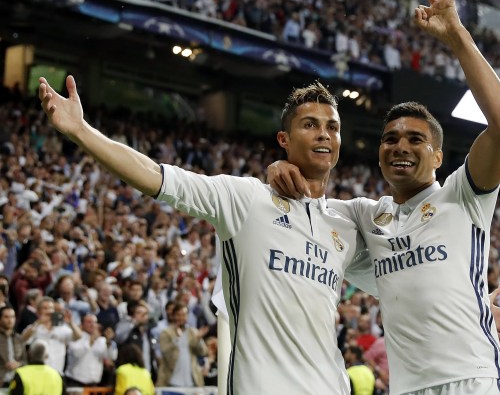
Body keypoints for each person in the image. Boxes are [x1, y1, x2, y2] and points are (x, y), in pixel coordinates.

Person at [38, 73, 374, 394]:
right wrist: (81, 131)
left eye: (333, 127)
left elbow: (408, 268)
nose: (324, 135)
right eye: (310, 124)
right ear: (283, 140)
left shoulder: (344, 226)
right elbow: (157, 177)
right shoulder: (245, 199)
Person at [269, 0, 500, 394]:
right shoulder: (365, 217)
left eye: (415, 139)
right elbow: (308, 208)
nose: (400, 146)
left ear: (438, 156)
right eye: (390, 139)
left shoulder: (464, 195)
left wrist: (457, 35)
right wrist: (278, 169)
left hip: (474, 381)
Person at [157, 302, 208, 388]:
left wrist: (198, 339)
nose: (181, 318)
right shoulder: (166, 333)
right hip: (171, 380)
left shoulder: (193, 332)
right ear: (173, 316)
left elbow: (202, 352)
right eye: (178, 315)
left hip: (191, 380)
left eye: (184, 315)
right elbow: (165, 352)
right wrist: (177, 339)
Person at [64, 313, 115, 387]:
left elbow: (111, 357)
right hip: (75, 382)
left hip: (94, 384)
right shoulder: (76, 337)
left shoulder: (102, 340)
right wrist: (90, 342)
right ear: (82, 324)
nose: (92, 324)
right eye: (89, 322)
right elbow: (76, 355)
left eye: (94, 322)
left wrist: (109, 342)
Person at [0, 306, 26, 387]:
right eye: (6, 317)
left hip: (17, 382)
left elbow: (25, 361)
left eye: (12, 317)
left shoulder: (19, 338)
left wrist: (18, 364)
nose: (10, 320)